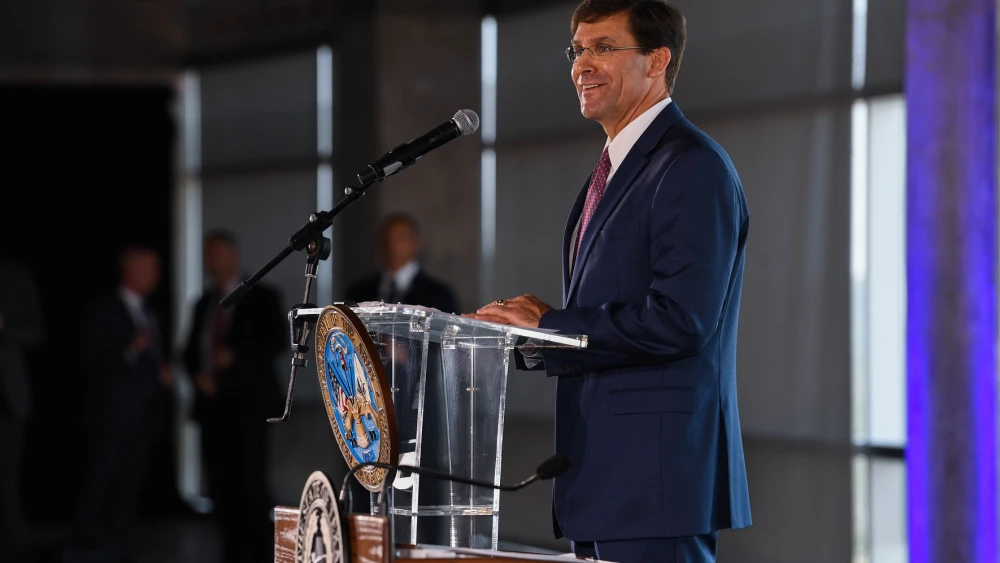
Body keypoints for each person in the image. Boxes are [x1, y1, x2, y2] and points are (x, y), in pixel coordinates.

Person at [467, 2, 751, 562]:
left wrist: (553, 323)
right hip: (604, 479)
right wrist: (528, 339)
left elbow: (681, 321)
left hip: (656, 481)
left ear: (657, 61)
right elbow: (609, 314)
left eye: (603, 47)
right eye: (577, 49)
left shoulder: (690, 166)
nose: (581, 65)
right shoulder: (618, 168)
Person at [183, 229, 285, 563]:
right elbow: (188, 351)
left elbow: (277, 343)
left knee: (252, 487)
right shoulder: (203, 302)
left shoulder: (264, 296)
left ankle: (258, 552)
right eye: (208, 255)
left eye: (219, 254)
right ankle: (228, 551)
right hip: (213, 409)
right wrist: (197, 375)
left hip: (250, 408)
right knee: (220, 488)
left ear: (235, 255)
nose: (213, 262)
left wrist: (237, 357)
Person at [72, 245, 173, 562]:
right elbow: (93, 360)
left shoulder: (150, 311)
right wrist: (131, 349)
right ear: (131, 270)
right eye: (149, 268)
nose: (155, 276)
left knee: (131, 480)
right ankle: (85, 538)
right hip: (112, 415)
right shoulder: (104, 310)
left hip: (144, 413)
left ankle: (121, 538)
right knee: (101, 478)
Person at [0, 257, 44, 563]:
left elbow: (36, 331)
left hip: (6, 398)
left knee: (6, 482)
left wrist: (3, 325)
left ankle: (15, 550)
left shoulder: (15, 276)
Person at [345, 213, 459, 313]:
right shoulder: (359, 292)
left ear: (415, 243)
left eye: (400, 238)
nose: (392, 245)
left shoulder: (439, 296)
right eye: (387, 238)